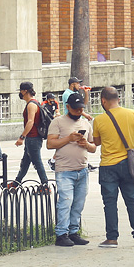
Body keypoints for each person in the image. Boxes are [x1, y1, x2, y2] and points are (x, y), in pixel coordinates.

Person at [91, 86, 134, 247]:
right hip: (128, 164)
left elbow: (96, 143)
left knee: (110, 203)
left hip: (108, 166)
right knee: (132, 200)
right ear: (118, 98)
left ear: (103, 101)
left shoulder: (98, 120)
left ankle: (112, 238)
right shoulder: (132, 114)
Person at [48, 92, 94, 247]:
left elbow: (94, 147)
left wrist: (86, 144)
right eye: (75, 109)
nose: (79, 112)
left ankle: (73, 231)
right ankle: (61, 233)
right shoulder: (58, 122)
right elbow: (50, 144)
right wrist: (69, 138)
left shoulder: (86, 124)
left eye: (81, 109)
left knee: (78, 203)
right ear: (68, 107)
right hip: (65, 170)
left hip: (82, 169)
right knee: (65, 202)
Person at [11, 82, 49, 188]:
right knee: (25, 162)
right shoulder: (34, 102)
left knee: (37, 162)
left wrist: (22, 137)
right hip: (31, 138)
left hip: (33, 138)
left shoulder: (31, 105)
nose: (20, 93)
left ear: (25, 91)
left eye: (21, 91)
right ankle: (16, 183)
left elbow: (30, 122)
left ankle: (45, 185)